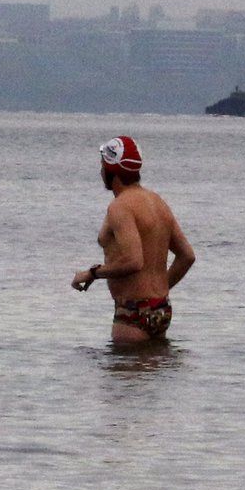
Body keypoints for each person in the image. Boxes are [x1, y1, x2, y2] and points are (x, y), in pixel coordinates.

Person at [70, 136, 196, 345]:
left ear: (112, 171)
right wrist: (158, 292)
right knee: (151, 375)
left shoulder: (120, 207)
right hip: (160, 308)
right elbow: (187, 256)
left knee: (122, 375)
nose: (100, 171)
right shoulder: (157, 202)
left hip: (132, 311)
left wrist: (92, 273)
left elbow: (133, 261)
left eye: (102, 165)